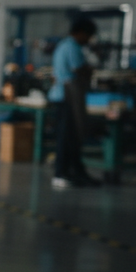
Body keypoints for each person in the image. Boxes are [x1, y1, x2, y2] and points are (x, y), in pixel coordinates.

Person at [49, 17, 100, 188]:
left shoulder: (64, 45)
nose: (87, 40)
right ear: (80, 33)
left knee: (71, 138)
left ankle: (73, 172)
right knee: (67, 137)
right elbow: (78, 69)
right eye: (87, 36)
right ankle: (61, 173)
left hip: (63, 96)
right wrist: (90, 69)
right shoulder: (72, 47)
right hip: (67, 96)